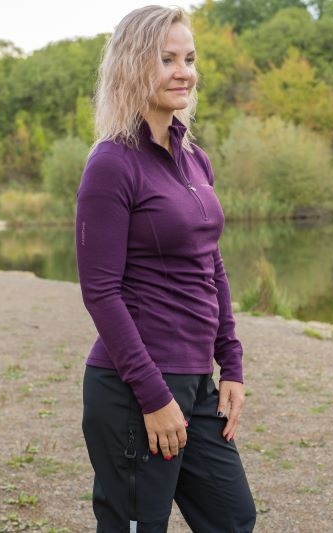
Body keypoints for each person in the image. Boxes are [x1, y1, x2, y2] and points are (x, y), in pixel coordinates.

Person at [75, 5, 256, 532]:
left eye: (189, 59)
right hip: (135, 387)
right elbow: (101, 292)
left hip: (196, 381)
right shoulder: (111, 163)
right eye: (167, 59)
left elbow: (210, 263)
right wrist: (153, 397)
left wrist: (231, 363)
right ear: (133, 65)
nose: (184, 72)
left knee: (232, 518)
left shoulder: (193, 158)